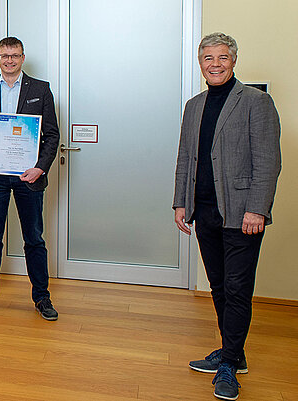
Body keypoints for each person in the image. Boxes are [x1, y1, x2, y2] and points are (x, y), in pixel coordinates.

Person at [173, 32, 281, 401]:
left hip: (241, 213)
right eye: (208, 58)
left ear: (233, 60)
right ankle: (234, 352)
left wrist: (258, 208)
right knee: (219, 286)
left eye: (222, 58)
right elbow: (186, 158)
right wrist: (180, 202)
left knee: (237, 289)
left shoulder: (256, 102)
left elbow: (268, 161)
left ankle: (229, 364)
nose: (215, 64)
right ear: (200, 62)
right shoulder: (194, 105)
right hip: (205, 212)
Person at [0, 37, 61, 320]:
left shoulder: (40, 89)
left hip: (28, 176)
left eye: (14, 55)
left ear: (22, 57)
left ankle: (42, 298)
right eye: (5, 55)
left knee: (34, 239)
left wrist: (40, 168)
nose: (9, 60)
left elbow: (52, 135)